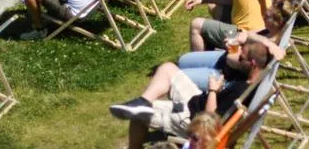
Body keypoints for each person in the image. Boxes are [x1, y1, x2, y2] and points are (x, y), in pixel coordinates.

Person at [109, 39, 276, 149]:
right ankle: (143, 100)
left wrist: (212, 90)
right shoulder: (257, 82)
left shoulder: (241, 92)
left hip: (193, 117)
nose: (237, 58)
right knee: (168, 68)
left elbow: (210, 117)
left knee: (139, 115)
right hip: (196, 99)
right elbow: (272, 52)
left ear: (253, 64)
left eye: (241, 58)